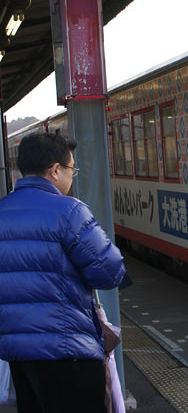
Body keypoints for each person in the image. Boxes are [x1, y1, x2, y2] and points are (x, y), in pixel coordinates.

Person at [0, 133, 126, 413]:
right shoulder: (70, 211)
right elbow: (110, 273)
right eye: (72, 169)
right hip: (69, 352)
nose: (72, 176)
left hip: (19, 356)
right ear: (55, 170)